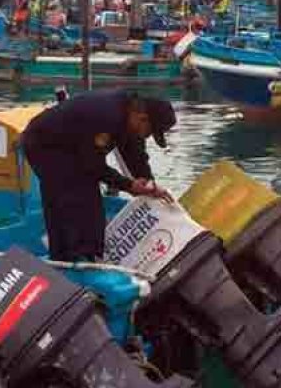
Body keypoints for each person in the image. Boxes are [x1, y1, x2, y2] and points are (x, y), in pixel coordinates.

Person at [20, 89, 176, 262]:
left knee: (88, 203)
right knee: (73, 200)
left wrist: (150, 185)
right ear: (142, 117)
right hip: (45, 145)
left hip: (73, 148)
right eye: (149, 132)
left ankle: (87, 256)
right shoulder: (106, 117)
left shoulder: (131, 116)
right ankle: (71, 259)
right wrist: (128, 185)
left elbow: (136, 156)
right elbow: (92, 165)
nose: (146, 136)